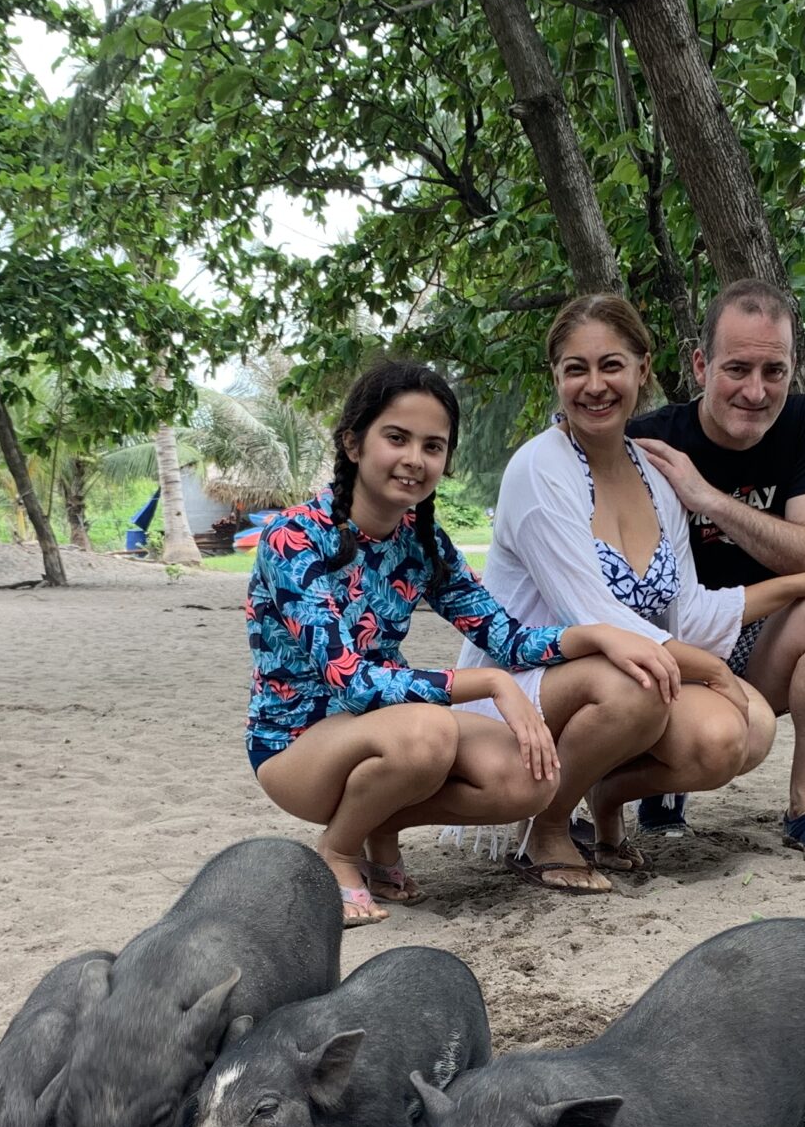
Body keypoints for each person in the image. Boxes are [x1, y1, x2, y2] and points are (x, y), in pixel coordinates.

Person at [245, 360, 679, 924]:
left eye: (433, 446)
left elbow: (503, 635)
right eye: (396, 438)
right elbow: (350, 681)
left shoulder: (422, 541)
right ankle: (338, 850)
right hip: (297, 745)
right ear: (353, 443)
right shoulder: (295, 538)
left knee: (530, 779)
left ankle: (383, 822)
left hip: (385, 730)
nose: (414, 460)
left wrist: (595, 634)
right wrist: (491, 683)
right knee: (426, 732)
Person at [471, 295, 805, 891]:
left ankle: (607, 792)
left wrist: (802, 580)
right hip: (536, 674)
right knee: (635, 687)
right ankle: (548, 828)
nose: (595, 385)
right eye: (575, 369)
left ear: (642, 368)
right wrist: (711, 670)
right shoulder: (540, 469)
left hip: (631, 668)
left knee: (742, 731)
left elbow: (687, 609)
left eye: (612, 365)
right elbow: (597, 617)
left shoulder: (656, 472)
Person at [625, 281, 805, 860]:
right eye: (737, 368)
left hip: (757, 641)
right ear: (699, 364)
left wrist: (707, 498)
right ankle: (646, 785)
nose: (756, 391)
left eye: (775, 371)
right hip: (668, 645)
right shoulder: (648, 440)